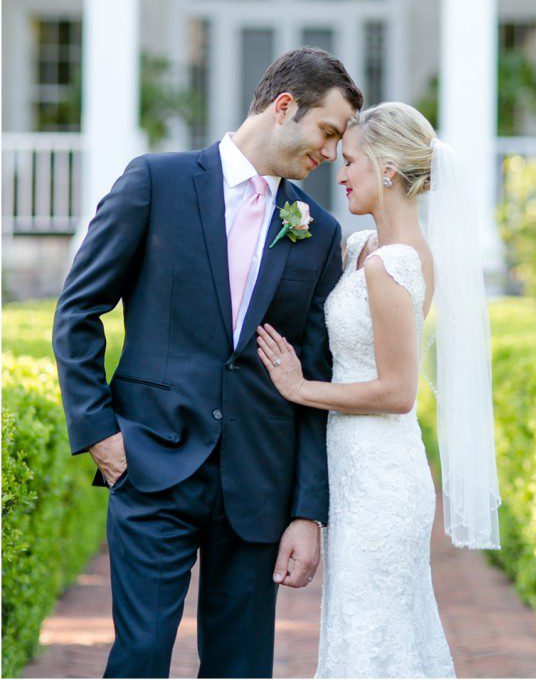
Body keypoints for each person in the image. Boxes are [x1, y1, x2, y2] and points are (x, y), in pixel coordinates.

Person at [52, 47, 363, 679]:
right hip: (150, 463)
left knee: (240, 668)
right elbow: (78, 310)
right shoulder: (154, 182)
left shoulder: (319, 231)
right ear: (284, 108)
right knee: (139, 658)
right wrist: (100, 436)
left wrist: (307, 511)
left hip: (258, 485)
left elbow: (315, 379)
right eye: (327, 132)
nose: (331, 153)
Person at [257, 101, 502, 679]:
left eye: (350, 161)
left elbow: (397, 391)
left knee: (371, 639)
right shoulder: (361, 249)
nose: (339, 174)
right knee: (361, 634)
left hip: (382, 483)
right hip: (355, 473)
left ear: (387, 169)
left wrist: (300, 387)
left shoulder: (395, 264)